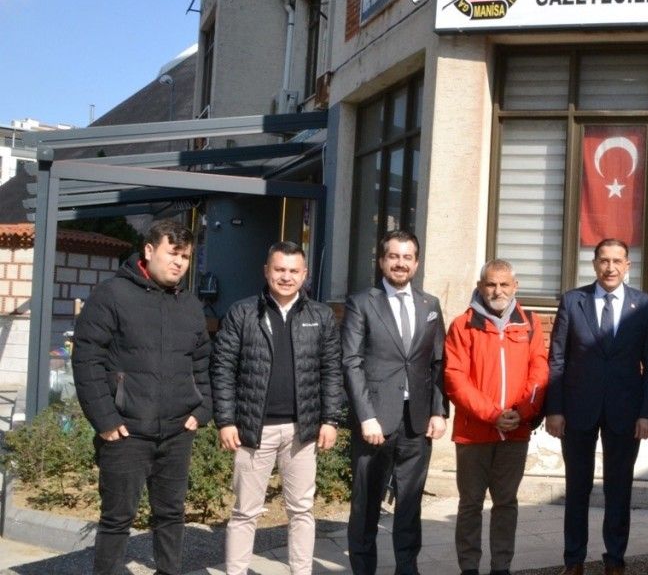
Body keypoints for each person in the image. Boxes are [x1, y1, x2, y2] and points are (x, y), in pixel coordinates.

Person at [71, 219, 212, 575]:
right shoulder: (112, 295)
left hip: (177, 431)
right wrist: (106, 420)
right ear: (149, 251)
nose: (178, 263)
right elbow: (87, 359)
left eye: (185, 256)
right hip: (126, 432)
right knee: (117, 518)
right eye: (172, 253)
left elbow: (202, 361)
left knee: (171, 514)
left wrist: (202, 409)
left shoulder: (190, 305)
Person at [211, 241, 344, 575]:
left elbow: (331, 370)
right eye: (279, 269)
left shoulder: (321, 316)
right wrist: (226, 420)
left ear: (305, 274)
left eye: (293, 271)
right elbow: (222, 367)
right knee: (245, 512)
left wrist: (330, 419)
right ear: (266, 271)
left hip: (302, 430)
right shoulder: (242, 313)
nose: (286, 277)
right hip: (253, 430)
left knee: (301, 510)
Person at [545, 239, 648, 575]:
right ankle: (574, 560)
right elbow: (557, 359)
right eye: (604, 261)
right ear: (594, 264)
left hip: (626, 411)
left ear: (628, 265)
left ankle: (615, 559)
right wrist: (555, 409)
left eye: (617, 261)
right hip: (578, 409)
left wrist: (647, 413)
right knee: (577, 487)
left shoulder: (644, 305)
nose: (610, 268)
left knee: (619, 488)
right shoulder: (573, 301)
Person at [342, 230, 448, 575]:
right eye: (393, 256)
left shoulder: (430, 305)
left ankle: (407, 568)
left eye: (407, 257)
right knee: (366, 505)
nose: (400, 263)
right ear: (381, 261)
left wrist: (438, 410)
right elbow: (351, 362)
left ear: (416, 263)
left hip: (416, 422)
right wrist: (365, 416)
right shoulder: (362, 303)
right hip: (374, 422)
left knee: (410, 504)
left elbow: (438, 362)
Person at [443, 259, 549, 575]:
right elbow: (455, 379)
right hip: (473, 432)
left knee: (506, 503)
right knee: (470, 504)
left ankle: (501, 566)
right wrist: (492, 414)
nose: (497, 290)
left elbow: (540, 371)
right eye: (491, 284)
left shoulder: (530, 324)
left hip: (515, 430)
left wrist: (521, 412)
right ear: (480, 286)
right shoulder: (462, 325)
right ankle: (469, 568)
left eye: (504, 284)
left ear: (515, 286)